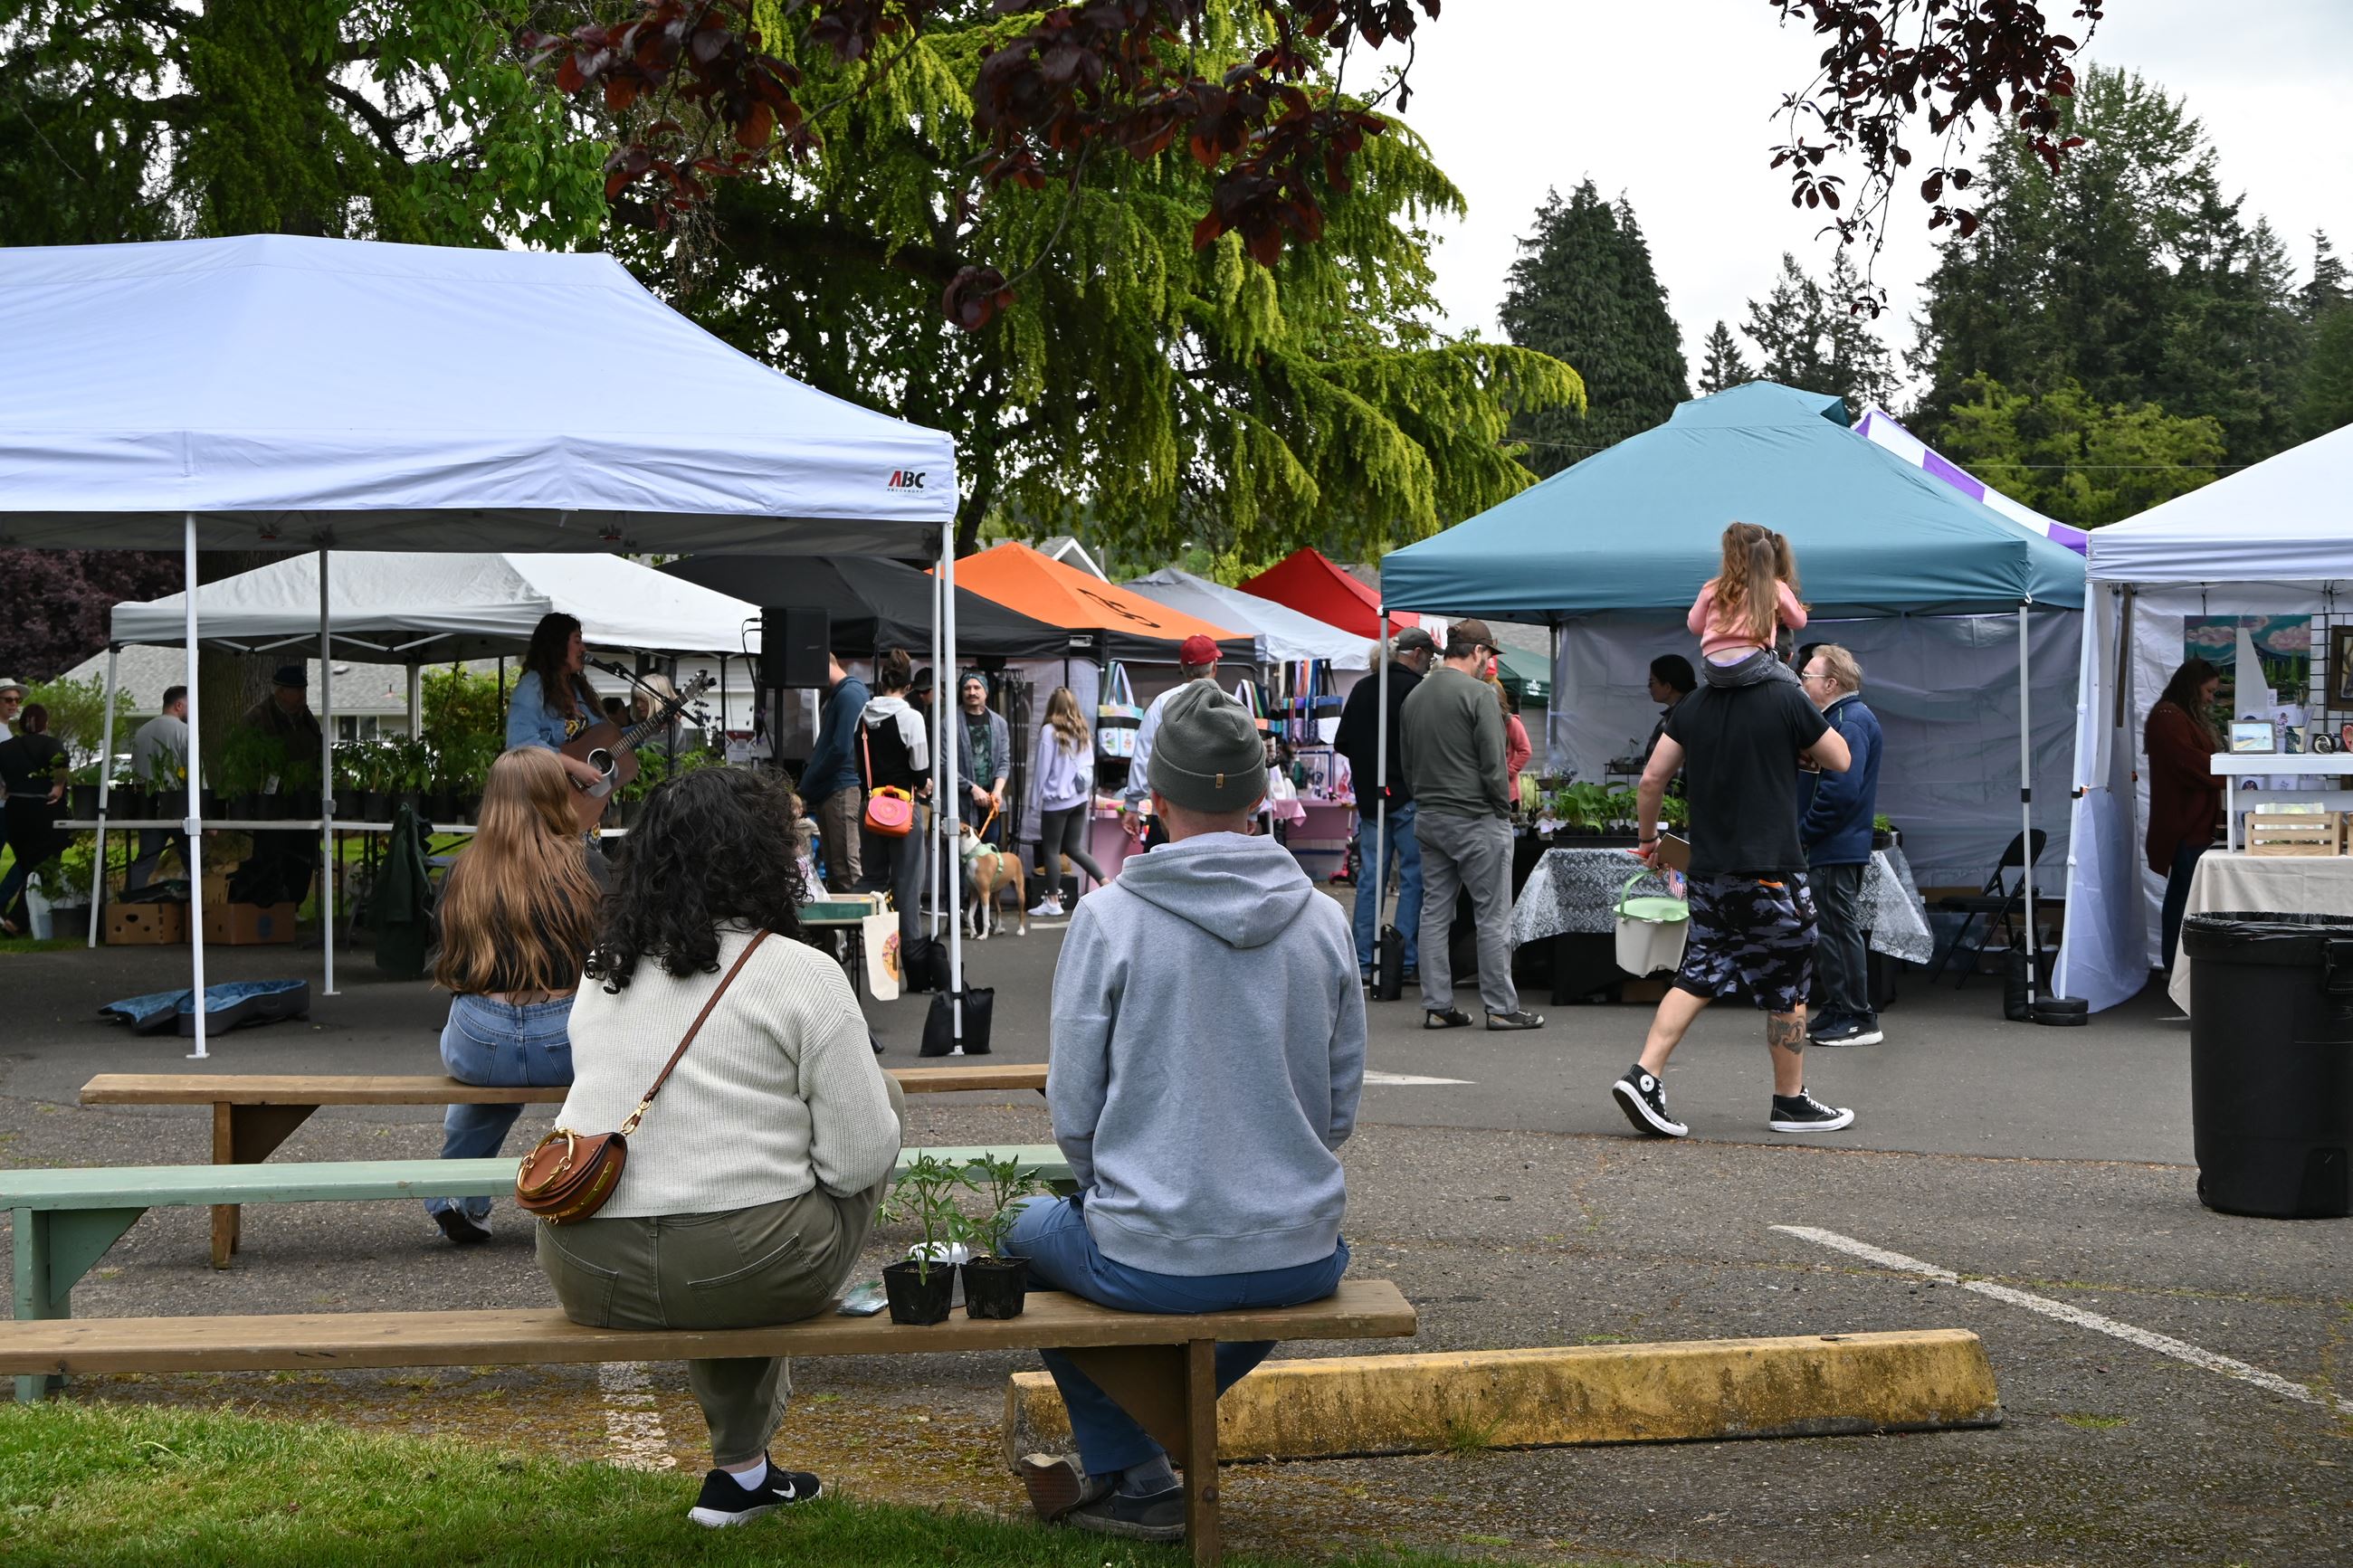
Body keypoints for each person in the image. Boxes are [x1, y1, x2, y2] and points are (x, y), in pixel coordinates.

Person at [1006, 683, 1362, 1544]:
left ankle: (1133, 1467)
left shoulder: (1108, 917)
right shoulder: (1323, 920)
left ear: (1153, 802)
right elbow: (1339, 1105)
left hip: (1149, 1244)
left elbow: (1076, 1108)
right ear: (1257, 800)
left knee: (1021, 1235)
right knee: (1231, 1274)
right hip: (1302, 1246)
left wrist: (1107, 1186)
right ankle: (1142, 1460)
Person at [539, 765, 904, 1528]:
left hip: (587, 1263)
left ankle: (742, 1476)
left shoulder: (602, 970)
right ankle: (741, 1466)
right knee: (861, 1123)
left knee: (727, 1188)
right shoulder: (804, 973)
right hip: (747, 1263)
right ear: (765, 856)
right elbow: (859, 1161)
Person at [1613, 662, 1855, 1139]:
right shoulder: (1786, 698)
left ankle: (1644, 1074)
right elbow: (1840, 758)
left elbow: (1650, 781)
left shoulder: (1694, 705)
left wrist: (1648, 842)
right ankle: (1789, 1102)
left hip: (1707, 868)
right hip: (1771, 870)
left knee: (1701, 971)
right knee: (1789, 982)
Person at [421, 748, 607, 1244]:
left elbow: (451, 962)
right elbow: (615, 959)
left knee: (487, 1094)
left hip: (477, 1042)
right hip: (565, 1041)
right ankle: (597, 1190)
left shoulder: (461, 871)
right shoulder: (587, 866)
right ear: (555, 795)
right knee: (613, 1070)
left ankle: (456, 1198)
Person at [1399, 620, 1543, 1031]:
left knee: (1435, 912)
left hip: (1429, 816)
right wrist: (1502, 809)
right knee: (1492, 915)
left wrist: (1425, 799)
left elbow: (1408, 764)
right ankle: (1500, 1007)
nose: (1488, 667)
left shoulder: (1415, 695)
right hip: (1477, 818)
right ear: (1478, 652)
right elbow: (1493, 765)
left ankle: (1438, 1005)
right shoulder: (1479, 695)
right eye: (1489, 657)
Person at [1334, 628, 1435, 984]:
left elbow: (1342, 742)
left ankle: (1363, 962)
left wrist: (1368, 764)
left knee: (1370, 881)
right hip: (1407, 796)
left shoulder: (1364, 689)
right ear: (1419, 654)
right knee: (1413, 879)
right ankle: (1402, 961)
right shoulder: (1417, 691)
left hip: (1370, 798)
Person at [1797, 647, 1884, 1047]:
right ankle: (1838, 1006)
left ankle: (1856, 1016)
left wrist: (1805, 831)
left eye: (1808, 676)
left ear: (1831, 684)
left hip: (1833, 844)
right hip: (1833, 843)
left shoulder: (1847, 721)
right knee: (1831, 930)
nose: (1802, 681)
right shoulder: (1842, 719)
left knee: (1837, 930)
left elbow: (1841, 790)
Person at [858, 648, 934, 975]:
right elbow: (920, 769)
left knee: (873, 882)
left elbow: (858, 761)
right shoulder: (911, 717)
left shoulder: (864, 713)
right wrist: (924, 784)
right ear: (908, 685)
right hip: (903, 809)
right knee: (907, 887)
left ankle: (880, 966)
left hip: (871, 807)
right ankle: (914, 969)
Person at [2147, 658, 2224, 974]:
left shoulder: (2178, 716)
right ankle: (2174, 965)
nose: (2211, 698)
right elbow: (2189, 763)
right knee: (2183, 896)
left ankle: (2179, 966)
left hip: (2192, 821)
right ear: (2193, 687)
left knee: (2184, 894)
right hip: (2183, 822)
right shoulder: (2168, 717)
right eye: (2208, 691)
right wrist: (2229, 771)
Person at [233, 665, 325, 905]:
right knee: (270, 859)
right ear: (281, 692)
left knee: (304, 859)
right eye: (298, 691)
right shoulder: (257, 718)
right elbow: (242, 760)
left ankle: (292, 906)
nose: (303, 696)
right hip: (271, 806)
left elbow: (318, 752)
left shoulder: (307, 719)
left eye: (304, 690)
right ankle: (269, 909)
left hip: (304, 803)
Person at [1121, 633, 1222, 850]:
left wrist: (1132, 805)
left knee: (1157, 880)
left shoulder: (1161, 703)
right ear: (1214, 666)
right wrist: (1250, 813)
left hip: (1169, 816)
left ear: (1182, 666)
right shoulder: (1230, 704)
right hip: (1218, 816)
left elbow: (1143, 758)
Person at [1687, 521, 1807, 689]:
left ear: (1728, 557)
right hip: (1752, 663)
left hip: (1713, 668)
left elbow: (1694, 626)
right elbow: (1799, 621)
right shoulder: (1774, 587)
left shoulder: (1712, 587)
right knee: (1794, 684)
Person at [506, 613, 611, 794]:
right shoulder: (532, 686)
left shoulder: (577, 688)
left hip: (578, 800)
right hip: (543, 795)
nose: (584, 649)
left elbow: (605, 737)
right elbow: (521, 743)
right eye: (577, 641)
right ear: (557, 644)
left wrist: (650, 726)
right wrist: (575, 767)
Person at [1027, 687, 1102, 919]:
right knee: (1074, 848)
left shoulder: (1049, 732)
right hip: (1079, 798)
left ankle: (1052, 900)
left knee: (1051, 850)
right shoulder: (1081, 730)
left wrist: (1032, 801)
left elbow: (1041, 771)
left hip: (1057, 801)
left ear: (1053, 705)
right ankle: (1106, 881)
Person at [799, 653, 868, 891]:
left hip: (841, 788)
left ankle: (863, 928)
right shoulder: (842, 695)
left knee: (847, 871)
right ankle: (850, 928)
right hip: (832, 789)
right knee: (838, 870)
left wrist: (810, 780)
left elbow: (841, 747)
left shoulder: (849, 695)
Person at [0, 703, 66, 934]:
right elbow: (60, 765)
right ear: (45, 723)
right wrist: (58, 786)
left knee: (28, 864)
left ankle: (19, 920)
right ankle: (19, 919)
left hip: (15, 809)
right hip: (44, 808)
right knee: (45, 866)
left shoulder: (6, 748)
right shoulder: (51, 744)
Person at [125, 686, 190, 890]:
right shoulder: (184, 732)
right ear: (179, 705)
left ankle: (126, 906)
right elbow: (196, 772)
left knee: (145, 859)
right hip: (178, 805)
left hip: (147, 804)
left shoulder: (141, 732)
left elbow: (134, 769)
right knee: (193, 857)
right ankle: (206, 903)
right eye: (189, 705)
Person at [955, 671, 1012, 845]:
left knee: (989, 857)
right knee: (959, 859)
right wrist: (972, 788)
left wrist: (997, 790)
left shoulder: (999, 723)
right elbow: (944, 764)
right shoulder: (950, 722)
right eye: (967, 688)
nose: (972, 692)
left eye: (977, 687)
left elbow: (1004, 760)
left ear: (985, 691)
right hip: (960, 804)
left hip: (990, 802)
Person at [1640, 655, 1696, 773]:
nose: (1649, 687)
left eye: (1651, 682)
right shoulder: (1695, 710)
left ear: (1667, 687)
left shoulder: (1675, 718)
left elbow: (1660, 771)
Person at [1498, 680, 1533, 790]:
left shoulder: (1512, 722)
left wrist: (1508, 772)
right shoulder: (1485, 721)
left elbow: (1525, 751)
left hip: (1508, 791)